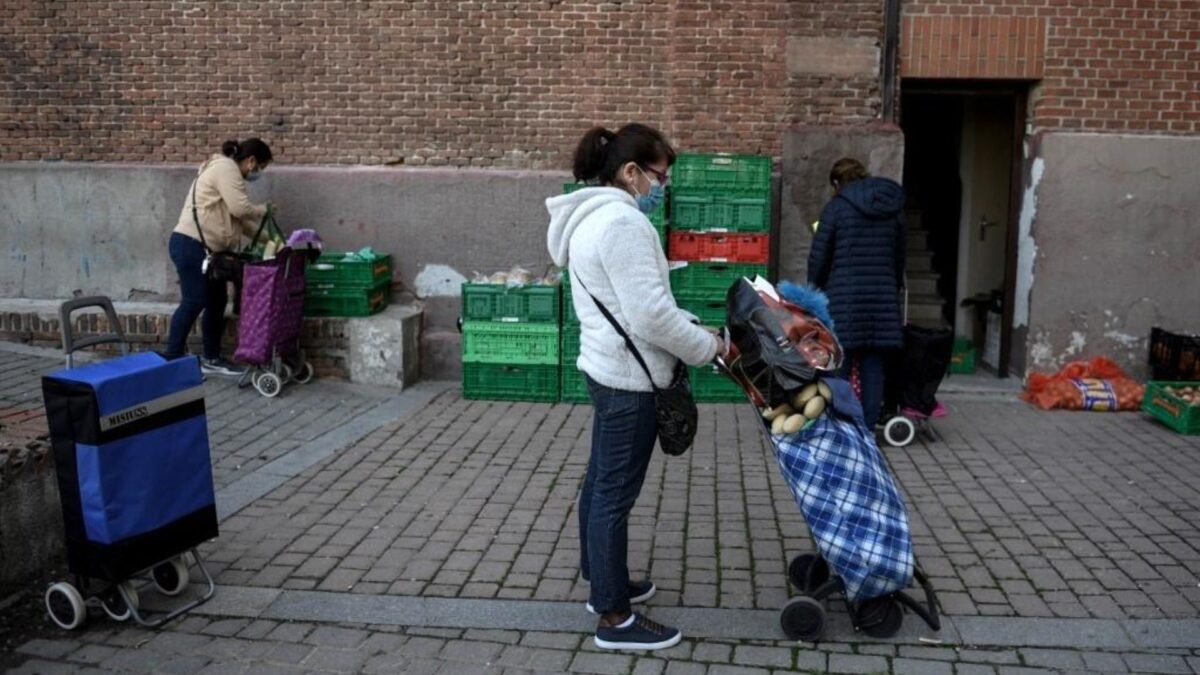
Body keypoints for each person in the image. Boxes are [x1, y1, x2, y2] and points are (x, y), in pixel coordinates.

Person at [546, 124, 724, 651]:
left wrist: (687, 326)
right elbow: (649, 315)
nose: (662, 186)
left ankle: (604, 582)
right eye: (659, 176)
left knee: (600, 481)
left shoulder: (588, 217)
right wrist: (708, 347)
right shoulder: (623, 223)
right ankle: (614, 618)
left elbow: (633, 305)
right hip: (632, 378)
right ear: (631, 173)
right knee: (612, 495)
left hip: (607, 367)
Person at [807, 157, 906, 430]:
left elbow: (819, 257)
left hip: (844, 299)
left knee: (840, 363)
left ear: (838, 183)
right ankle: (867, 427)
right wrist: (892, 288)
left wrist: (813, 289)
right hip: (882, 299)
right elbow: (900, 258)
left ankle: (840, 426)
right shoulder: (892, 210)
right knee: (873, 365)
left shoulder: (836, 209)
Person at [165, 138, 275, 375]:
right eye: (260, 168)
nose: (257, 173)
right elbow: (241, 209)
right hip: (190, 245)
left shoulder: (227, 172)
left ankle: (211, 358)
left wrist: (270, 240)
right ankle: (172, 357)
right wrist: (262, 210)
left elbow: (239, 221)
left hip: (207, 251)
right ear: (251, 160)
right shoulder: (226, 169)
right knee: (194, 301)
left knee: (216, 303)